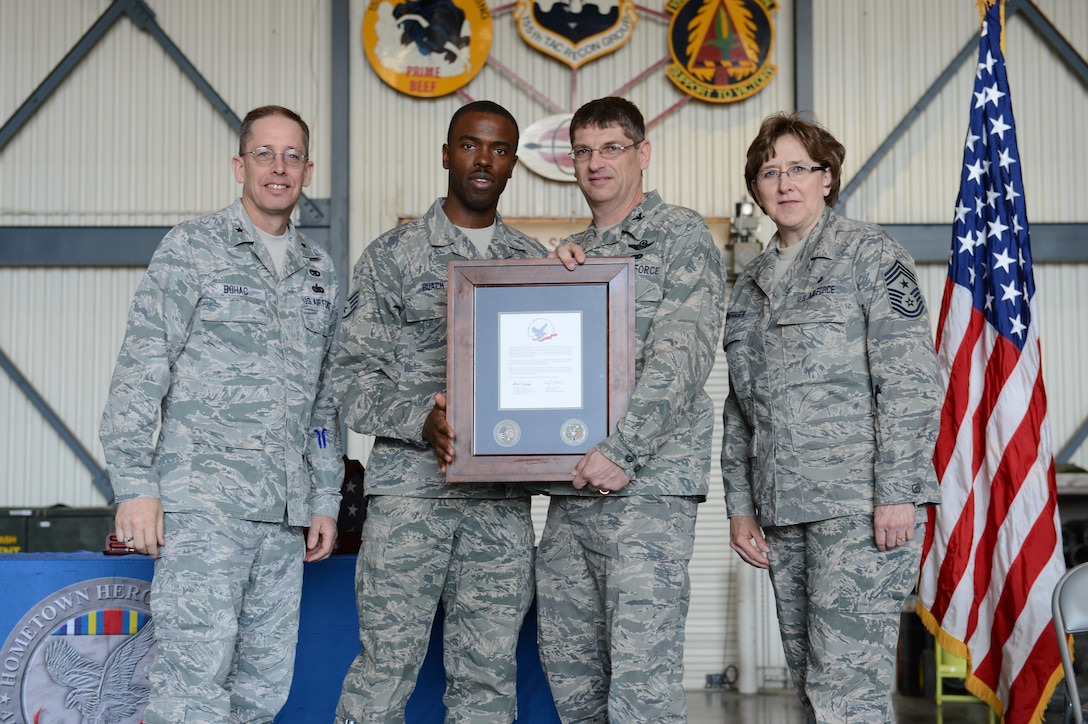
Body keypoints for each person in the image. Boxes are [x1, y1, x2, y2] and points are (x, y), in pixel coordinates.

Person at [99, 105, 343, 722]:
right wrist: (134, 486)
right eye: (264, 153)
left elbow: (322, 402)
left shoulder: (319, 271)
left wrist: (323, 498)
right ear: (240, 165)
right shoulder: (194, 248)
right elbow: (141, 367)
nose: (278, 168)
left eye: (291, 156)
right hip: (203, 509)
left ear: (308, 170)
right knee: (191, 691)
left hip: (284, 520)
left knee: (261, 694)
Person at [721, 111, 941, 723]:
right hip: (783, 512)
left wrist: (897, 491)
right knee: (813, 690)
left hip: (860, 508)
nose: (785, 183)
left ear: (827, 178)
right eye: (771, 171)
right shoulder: (752, 284)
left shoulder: (868, 254)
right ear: (756, 188)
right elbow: (740, 411)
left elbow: (910, 379)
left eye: (800, 168)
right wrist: (740, 508)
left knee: (848, 694)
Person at [332, 100, 547, 724]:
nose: (484, 160)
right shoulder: (393, 256)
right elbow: (350, 378)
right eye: (471, 145)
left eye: (500, 149)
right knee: (385, 670)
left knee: (487, 678)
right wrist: (420, 421)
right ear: (447, 153)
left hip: (500, 506)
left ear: (512, 166)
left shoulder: (531, 261)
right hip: (409, 500)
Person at [543, 96, 727, 723]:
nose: (597, 163)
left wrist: (622, 452)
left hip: (644, 493)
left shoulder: (680, 235)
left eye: (612, 148)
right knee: (574, 682)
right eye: (585, 151)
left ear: (642, 154)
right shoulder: (573, 256)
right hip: (570, 492)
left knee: (640, 688)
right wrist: (544, 288)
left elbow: (683, 358)